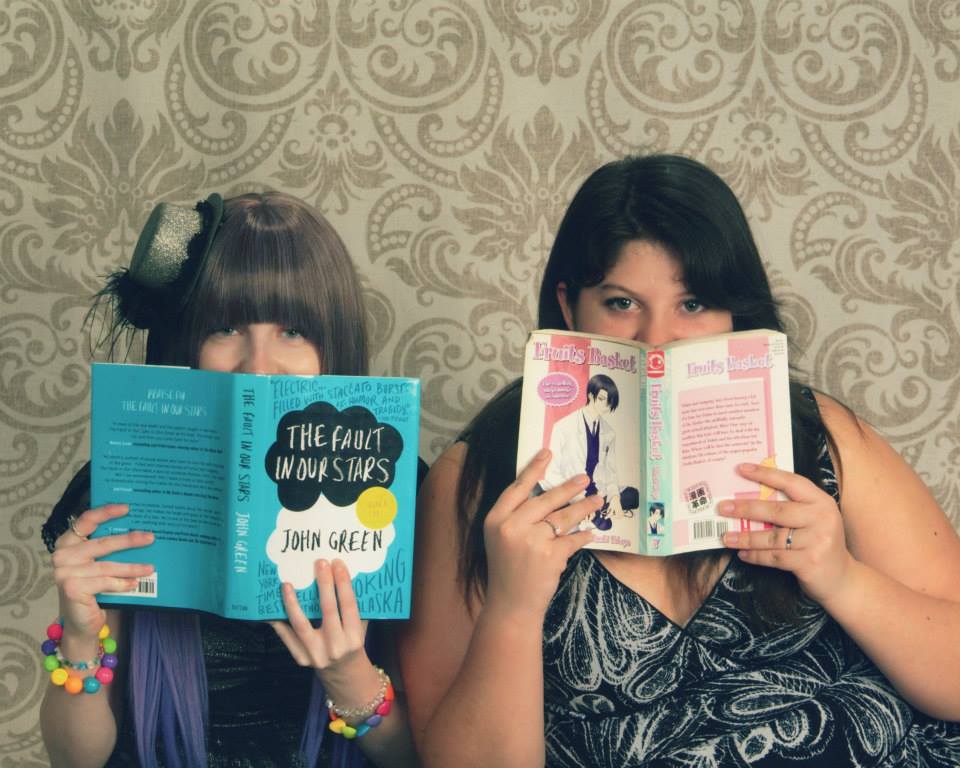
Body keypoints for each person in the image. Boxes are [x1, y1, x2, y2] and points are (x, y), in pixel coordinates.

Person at [397, 155, 960, 767]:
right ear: (569, 306)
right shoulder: (477, 483)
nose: (656, 342)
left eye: (691, 305)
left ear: (732, 313)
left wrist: (844, 577)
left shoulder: (819, 437)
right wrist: (512, 607)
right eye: (621, 303)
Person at [40, 192, 420, 767]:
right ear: (186, 340)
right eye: (225, 327)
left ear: (334, 340)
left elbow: (424, 757)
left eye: (292, 330)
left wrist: (349, 675)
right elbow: (77, 761)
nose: (258, 364)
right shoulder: (122, 488)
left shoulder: (402, 490)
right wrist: (79, 636)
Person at [539, 374, 637, 530]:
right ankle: (589, 512)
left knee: (633, 495)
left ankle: (596, 510)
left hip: (596, 489)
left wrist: (615, 498)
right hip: (569, 490)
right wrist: (578, 499)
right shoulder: (564, 426)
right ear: (591, 396)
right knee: (605, 524)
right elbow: (552, 473)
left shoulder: (609, 432)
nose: (606, 405)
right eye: (602, 399)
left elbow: (610, 471)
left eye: (609, 401)